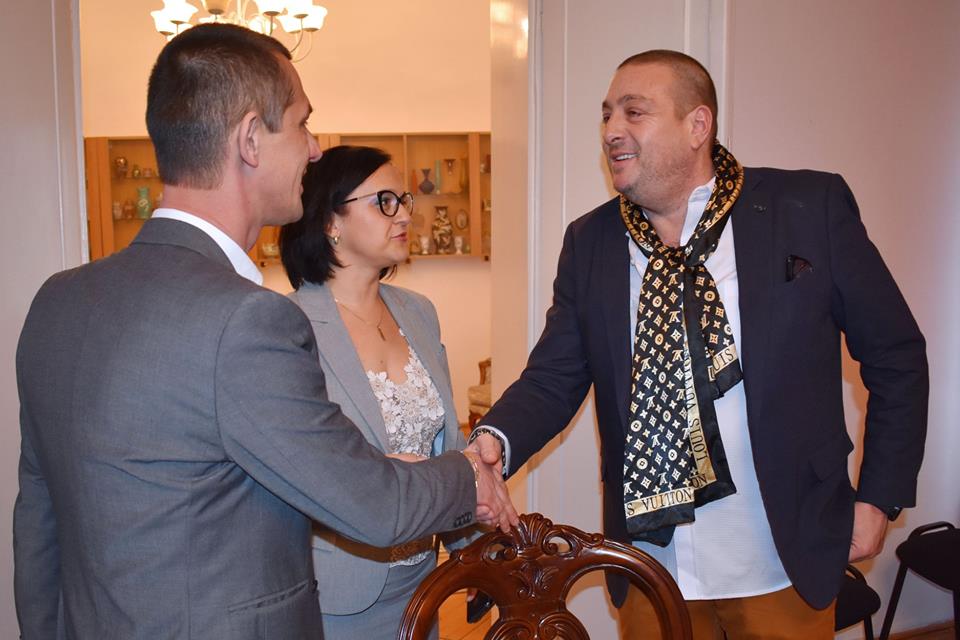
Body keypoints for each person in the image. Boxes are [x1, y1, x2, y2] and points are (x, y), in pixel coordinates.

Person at [14, 24, 515, 640]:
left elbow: (38, 523)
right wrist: (467, 473)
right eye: (302, 124)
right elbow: (371, 503)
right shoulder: (248, 319)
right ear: (251, 140)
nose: (314, 149)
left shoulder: (57, 300)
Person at [468, 49, 927, 638]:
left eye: (634, 112)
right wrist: (494, 441)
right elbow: (553, 377)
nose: (611, 131)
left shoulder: (807, 209)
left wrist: (879, 497)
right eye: (606, 115)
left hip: (784, 557)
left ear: (697, 125)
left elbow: (896, 356)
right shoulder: (590, 241)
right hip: (651, 567)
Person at [279, 145, 476, 640]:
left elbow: (446, 446)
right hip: (335, 593)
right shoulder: (288, 324)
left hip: (424, 582)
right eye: (384, 202)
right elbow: (292, 470)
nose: (405, 214)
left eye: (404, 200)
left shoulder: (418, 311)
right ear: (331, 221)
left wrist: (471, 548)